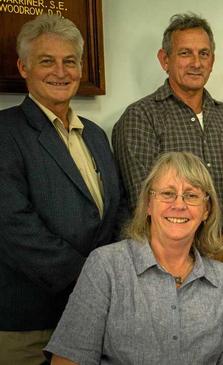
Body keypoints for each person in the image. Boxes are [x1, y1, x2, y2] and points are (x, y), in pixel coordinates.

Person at [44, 152, 223, 365]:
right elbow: (68, 359)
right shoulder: (106, 266)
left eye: (191, 195)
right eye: (168, 193)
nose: (179, 205)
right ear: (148, 205)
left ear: (207, 210)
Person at [0, 14, 125, 364]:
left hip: (93, 320)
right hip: (29, 324)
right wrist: (93, 282)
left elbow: (115, 211)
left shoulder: (96, 135)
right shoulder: (5, 133)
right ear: (23, 67)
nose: (60, 71)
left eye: (69, 61)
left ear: (81, 68)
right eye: (46, 61)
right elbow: (14, 228)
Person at [112, 13, 223, 268]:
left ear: (213, 61)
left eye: (204, 54)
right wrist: (197, 259)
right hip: (165, 267)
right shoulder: (140, 117)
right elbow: (146, 201)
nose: (196, 63)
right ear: (164, 59)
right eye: (185, 53)